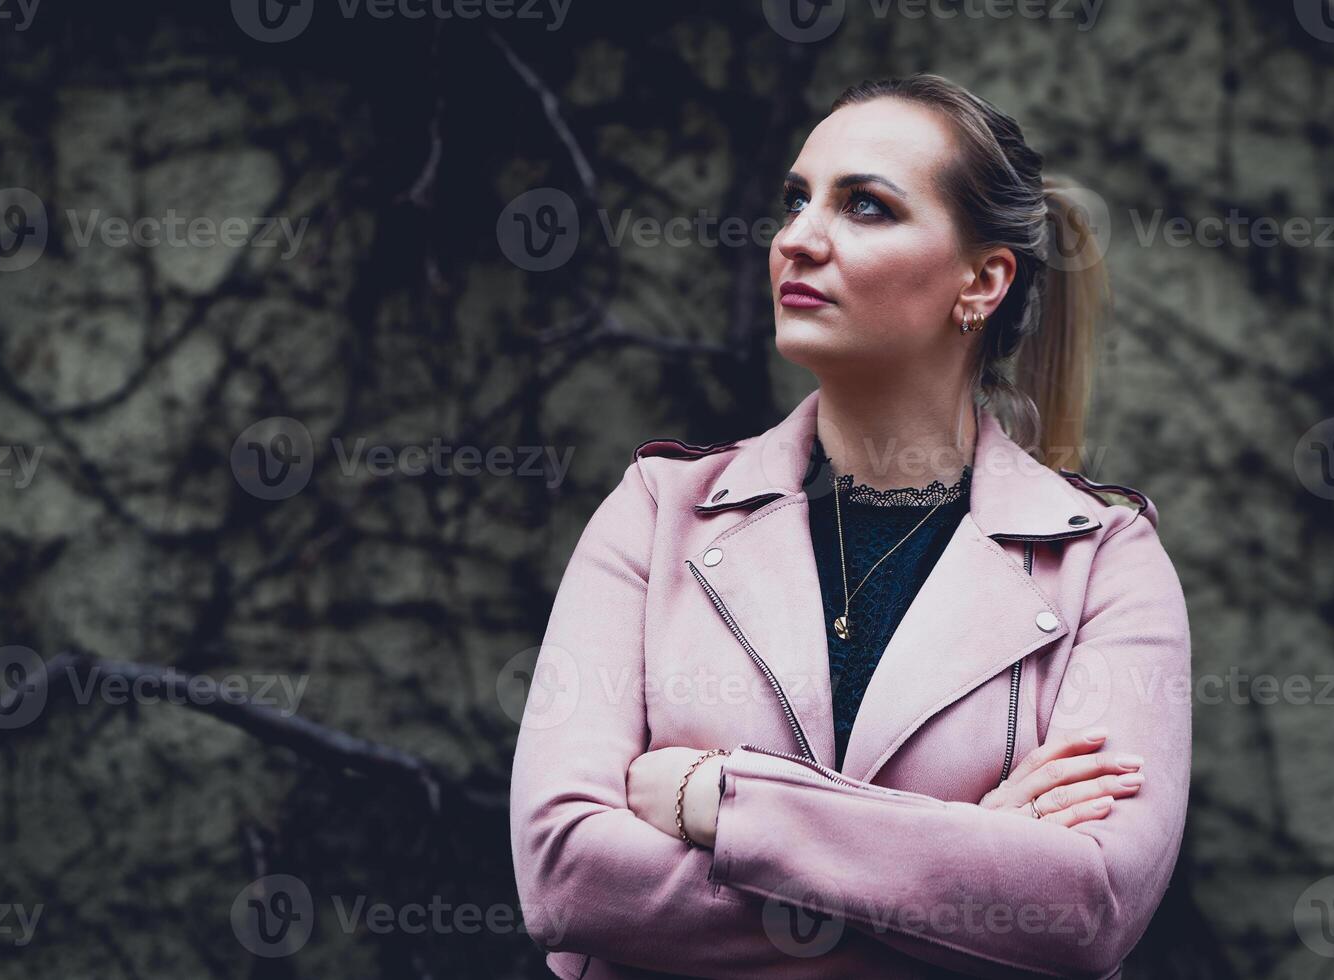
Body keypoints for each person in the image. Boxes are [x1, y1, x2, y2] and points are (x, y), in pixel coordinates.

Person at [509, 73, 1190, 979]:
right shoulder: (655, 513)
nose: (798, 238)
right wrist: (970, 861)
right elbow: (565, 877)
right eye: (797, 200)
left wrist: (715, 799)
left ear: (981, 281)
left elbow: (1085, 909)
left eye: (865, 207)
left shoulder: (1103, 562)